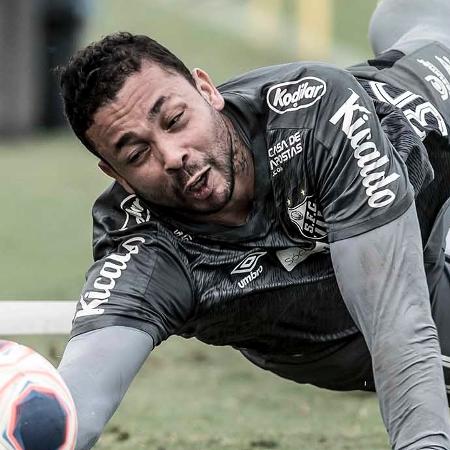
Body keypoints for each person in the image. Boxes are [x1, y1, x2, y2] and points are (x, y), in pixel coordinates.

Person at [57, 0, 450, 448]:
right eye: (136, 154)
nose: (172, 156)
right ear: (115, 175)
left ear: (207, 90)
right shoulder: (143, 248)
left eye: (175, 120)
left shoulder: (317, 118)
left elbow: (397, 321)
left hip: (428, 181)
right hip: (351, 337)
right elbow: (71, 410)